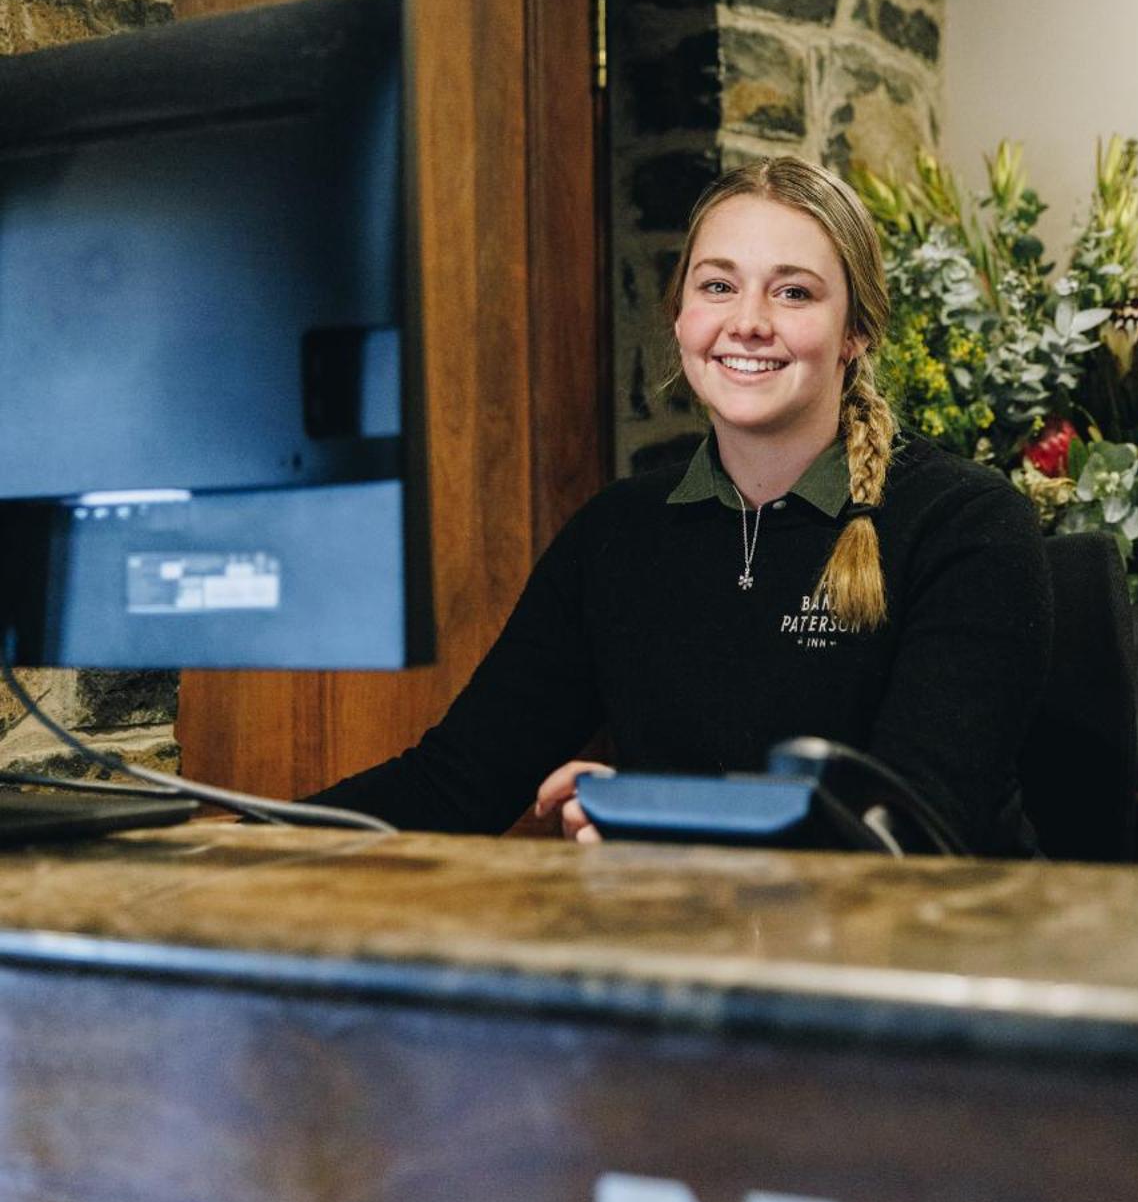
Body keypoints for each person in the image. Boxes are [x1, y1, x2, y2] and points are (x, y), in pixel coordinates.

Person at [312, 157, 1052, 854]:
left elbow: (911, 836)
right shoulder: (616, 535)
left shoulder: (966, 524)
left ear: (854, 331)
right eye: (718, 286)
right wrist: (229, 841)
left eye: (793, 291)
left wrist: (665, 824)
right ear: (679, 316)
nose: (748, 322)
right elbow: (455, 784)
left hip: (922, 964)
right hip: (699, 961)